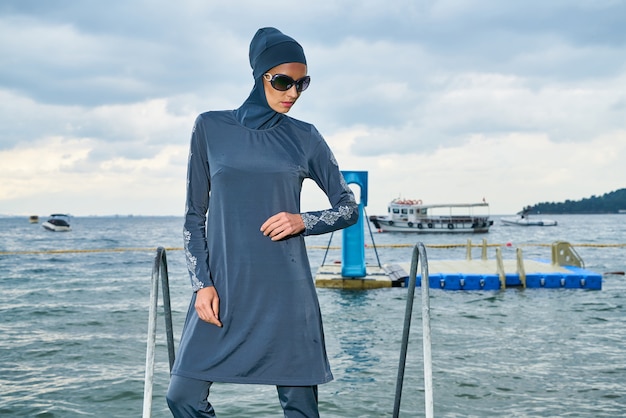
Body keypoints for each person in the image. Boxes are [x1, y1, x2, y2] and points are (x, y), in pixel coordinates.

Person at [166, 27, 359, 418]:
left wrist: (302, 220)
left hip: (286, 295)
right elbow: (192, 215)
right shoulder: (210, 127)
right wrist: (201, 284)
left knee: (300, 409)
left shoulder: (305, 137)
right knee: (182, 396)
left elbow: (348, 207)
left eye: (302, 84)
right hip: (222, 289)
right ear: (260, 76)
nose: (293, 93)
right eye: (284, 81)